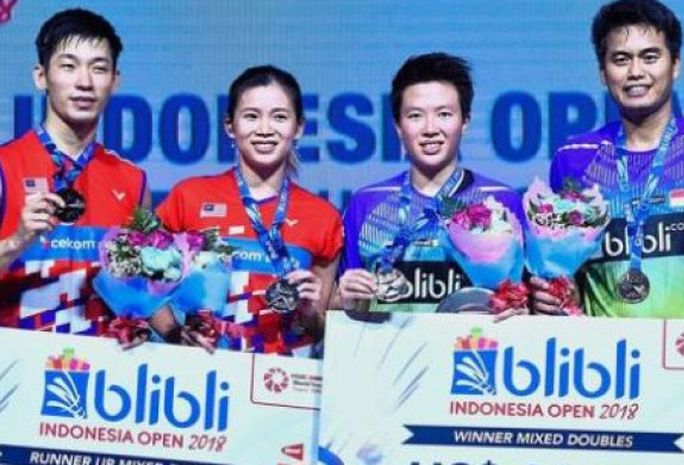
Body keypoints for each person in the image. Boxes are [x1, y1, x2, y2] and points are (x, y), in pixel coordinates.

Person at [156, 65, 343, 357]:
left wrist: (308, 313)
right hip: (205, 382)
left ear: (299, 127)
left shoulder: (323, 217)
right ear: (230, 126)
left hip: (282, 385)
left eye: (279, 117)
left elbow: (320, 328)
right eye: (251, 116)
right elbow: (138, 278)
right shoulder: (189, 196)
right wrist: (172, 333)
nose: (265, 129)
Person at [532, 0, 684, 318]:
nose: (635, 72)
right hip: (609, 360)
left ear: (675, 64)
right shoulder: (574, 159)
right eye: (620, 59)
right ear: (602, 73)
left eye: (650, 57)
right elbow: (565, 271)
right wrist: (556, 295)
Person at [337, 52, 525, 316]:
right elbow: (341, 304)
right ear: (398, 126)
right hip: (389, 354)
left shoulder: (501, 200)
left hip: (473, 352)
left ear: (466, 122)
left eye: (444, 114)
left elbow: (524, 298)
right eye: (415, 116)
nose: (430, 128)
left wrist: (519, 309)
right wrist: (347, 298)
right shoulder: (366, 203)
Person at [0, 9, 150, 334]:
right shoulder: (3, 165)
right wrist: (17, 241)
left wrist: (171, 331)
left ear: (115, 80)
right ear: (41, 76)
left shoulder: (133, 181)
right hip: (13, 373)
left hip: (102, 379)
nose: (84, 82)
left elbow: (141, 292)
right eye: (68, 66)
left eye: (99, 69)